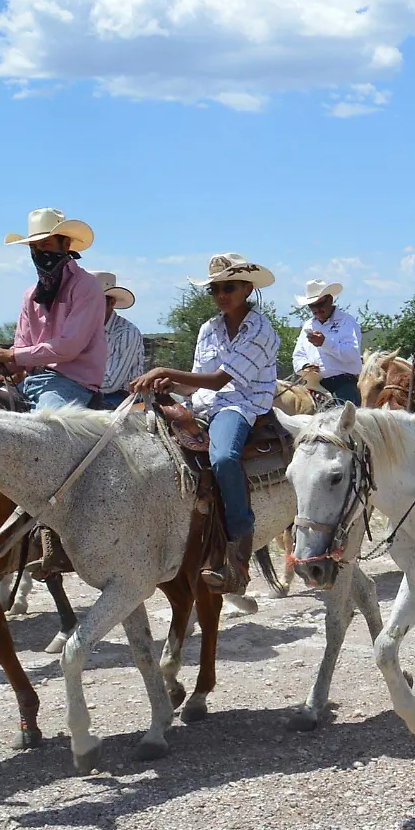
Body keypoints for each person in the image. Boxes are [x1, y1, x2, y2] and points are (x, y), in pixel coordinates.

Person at [130, 253, 279, 593]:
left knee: (224, 457)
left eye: (228, 287)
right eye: (214, 289)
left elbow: (218, 381)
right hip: (201, 403)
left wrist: (165, 370)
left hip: (239, 405)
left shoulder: (260, 330)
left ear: (246, 288)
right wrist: (169, 386)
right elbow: (195, 385)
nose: (221, 294)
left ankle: (240, 548)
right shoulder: (209, 329)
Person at [0, 208, 108, 410]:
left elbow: (68, 348)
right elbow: (21, 348)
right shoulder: (31, 296)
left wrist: (9, 356)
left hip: (73, 384)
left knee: (45, 423)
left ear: (66, 244)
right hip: (32, 382)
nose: (39, 253)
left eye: (45, 244)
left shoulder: (85, 287)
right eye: (33, 247)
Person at [291, 278, 363, 406]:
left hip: (341, 383)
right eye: (311, 306)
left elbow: (352, 354)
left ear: (330, 299)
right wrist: (305, 365)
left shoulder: (347, 321)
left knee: (346, 420)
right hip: (311, 384)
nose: (316, 310)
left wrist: (325, 343)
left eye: (319, 304)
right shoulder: (308, 324)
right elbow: (298, 356)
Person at [95, 272, 145, 408]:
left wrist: (74, 381)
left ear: (111, 302)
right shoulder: (83, 328)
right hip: (91, 391)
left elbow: (112, 383)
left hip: (122, 396)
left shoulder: (127, 333)